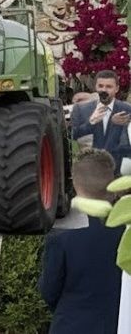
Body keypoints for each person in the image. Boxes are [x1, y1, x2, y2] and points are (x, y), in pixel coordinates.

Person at [39, 148, 123, 333]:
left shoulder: (62, 229)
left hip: (70, 325)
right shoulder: (124, 229)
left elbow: (49, 289)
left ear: (74, 183)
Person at [71, 70, 131, 175]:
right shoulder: (80, 109)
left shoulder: (126, 109)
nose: (104, 90)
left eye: (109, 87)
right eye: (100, 86)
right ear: (95, 87)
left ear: (116, 89)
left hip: (118, 170)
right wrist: (91, 123)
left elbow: (125, 144)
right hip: (90, 171)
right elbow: (72, 135)